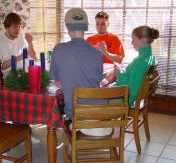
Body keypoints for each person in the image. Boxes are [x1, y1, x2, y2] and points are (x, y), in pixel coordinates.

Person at [50, 8, 111, 136]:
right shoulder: (97, 53)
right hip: (98, 110)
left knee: (66, 104)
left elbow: (58, 83)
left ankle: (82, 125)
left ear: (67, 27)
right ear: (86, 27)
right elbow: (98, 81)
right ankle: (91, 126)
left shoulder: (58, 49)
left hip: (75, 112)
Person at [115, 25, 159, 107]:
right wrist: (124, 72)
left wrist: (118, 74)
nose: (131, 43)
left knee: (98, 97)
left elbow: (132, 89)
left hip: (127, 99)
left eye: (133, 40)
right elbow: (135, 78)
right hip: (132, 96)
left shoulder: (141, 61)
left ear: (142, 41)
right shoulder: (150, 57)